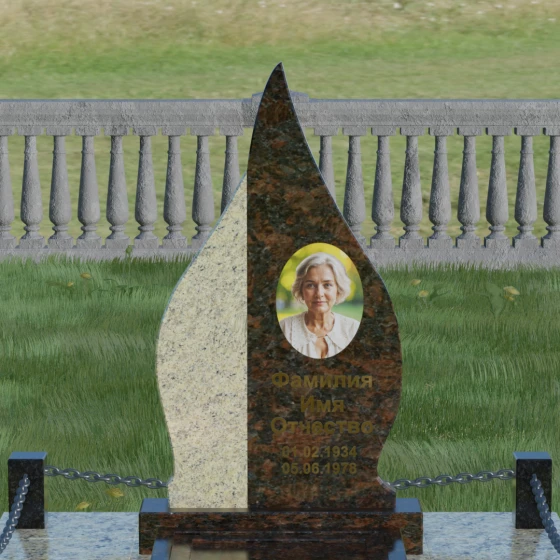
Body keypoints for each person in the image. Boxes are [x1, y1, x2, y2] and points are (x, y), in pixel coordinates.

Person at [279, 252, 360, 359]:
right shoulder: (285, 328)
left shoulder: (353, 329)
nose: (319, 293)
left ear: (338, 289)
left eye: (327, 285)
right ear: (301, 290)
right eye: (310, 285)